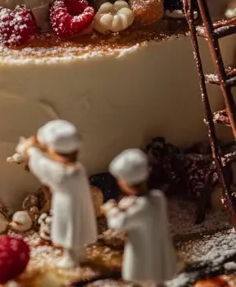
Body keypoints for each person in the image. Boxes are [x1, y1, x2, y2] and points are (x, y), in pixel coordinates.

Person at [21, 120, 97, 269]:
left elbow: (41, 166)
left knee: (69, 231)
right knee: (78, 229)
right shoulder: (78, 168)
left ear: (54, 151)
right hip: (81, 204)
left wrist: (30, 151)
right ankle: (81, 254)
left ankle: (71, 259)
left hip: (66, 206)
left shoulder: (61, 173)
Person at [105, 148, 177, 286]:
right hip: (159, 249)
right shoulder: (157, 197)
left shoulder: (141, 207)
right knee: (158, 274)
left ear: (125, 182)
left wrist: (111, 210)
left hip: (143, 252)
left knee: (146, 277)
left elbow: (118, 223)